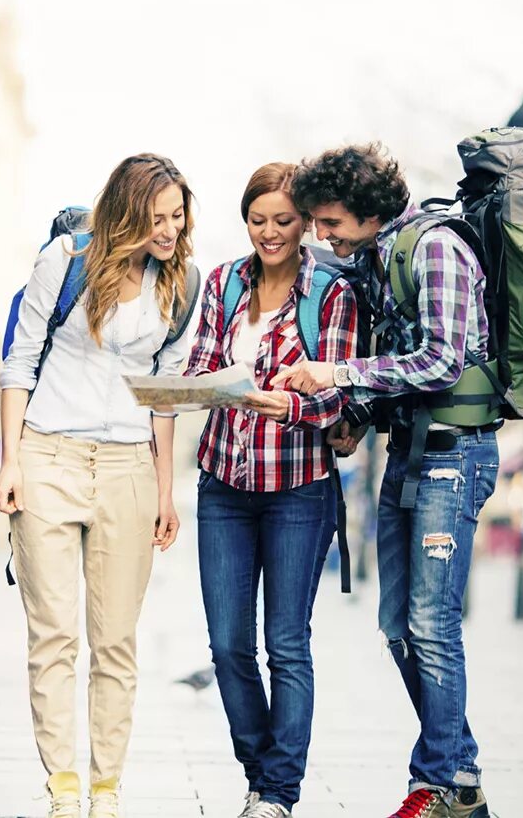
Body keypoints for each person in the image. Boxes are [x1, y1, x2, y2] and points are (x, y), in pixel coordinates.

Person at [278, 143, 499, 818]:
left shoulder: (433, 249)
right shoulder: (377, 259)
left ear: (371, 211)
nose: (321, 235)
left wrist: (340, 377)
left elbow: (440, 361)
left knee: (431, 623)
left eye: (330, 221)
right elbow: (397, 366)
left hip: (455, 455)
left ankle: (433, 785)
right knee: (397, 626)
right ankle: (460, 777)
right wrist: (360, 417)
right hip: (408, 451)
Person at [0, 154, 196, 818]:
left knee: (115, 640)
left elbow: (163, 395)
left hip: (127, 466)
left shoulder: (181, 284)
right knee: (53, 634)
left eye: (177, 216)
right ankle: (63, 785)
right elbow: (20, 360)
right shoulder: (66, 260)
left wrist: (165, 490)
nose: (168, 230)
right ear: (126, 212)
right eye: (155, 217)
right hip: (48, 453)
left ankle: (107, 787)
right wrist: (11, 461)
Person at [186, 163, 362, 818]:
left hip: (298, 487)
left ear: (305, 222)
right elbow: (201, 364)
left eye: (283, 221)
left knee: (285, 642)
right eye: (258, 221)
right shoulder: (225, 282)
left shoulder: (330, 292)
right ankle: (261, 769)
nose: (269, 233)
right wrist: (204, 385)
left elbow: (342, 391)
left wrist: (288, 407)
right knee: (228, 644)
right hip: (224, 483)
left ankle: (278, 792)